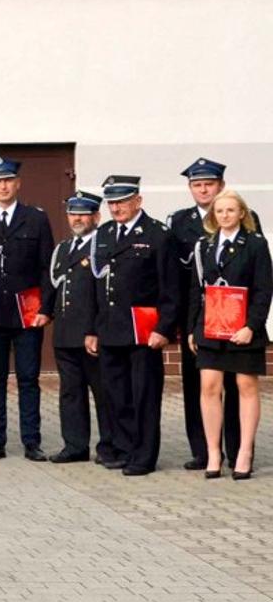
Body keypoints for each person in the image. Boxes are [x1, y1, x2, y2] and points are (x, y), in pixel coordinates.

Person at [169, 158, 258, 471]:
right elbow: (179, 276)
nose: (203, 189)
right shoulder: (179, 222)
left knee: (237, 387)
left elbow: (256, 278)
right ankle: (204, 452)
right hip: (199, 316)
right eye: (197, 184)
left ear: (221, 185)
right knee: (200, 385)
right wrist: (185, 321)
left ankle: (238, 450)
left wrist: (251, 322)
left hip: (238, 319)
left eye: (209, 183)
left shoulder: (249, 224)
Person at [0, 157, 55, 461]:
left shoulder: (36, 218)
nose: (3, 185)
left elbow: (47, 267)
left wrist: (46, 307)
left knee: (29, 378)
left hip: (28, 314)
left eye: (8, 180)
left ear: (18, 183)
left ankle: (32, 441)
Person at [93, 175, 180, 476]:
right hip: (110, 328)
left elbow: (170, 288)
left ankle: (143, 457)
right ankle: (125, 448)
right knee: (116, 394)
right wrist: (93, 328)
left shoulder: (157, 235)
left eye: (122, 202)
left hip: (144, 331)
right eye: (112, 202)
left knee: (144, 395)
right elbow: (97, 285)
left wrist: (164, 328)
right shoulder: (103, 234)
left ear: (138, 201)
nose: (116, 208)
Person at [185, 189, 269, 480]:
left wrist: (252, 327)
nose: (224, 216)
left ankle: (244, 451)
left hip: (243, 328)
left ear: (241, 214)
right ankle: (212, 453)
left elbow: (263, 290)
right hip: (211, 326)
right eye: (219, 212)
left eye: (230, 211)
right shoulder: (205, 246)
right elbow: (198, 290)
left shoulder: (256, 244)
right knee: (209, 386)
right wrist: (194, 329)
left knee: (245, 385)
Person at [44, 191, 111, 465]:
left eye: (84, 213)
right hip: (65, 332)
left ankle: (109, 446)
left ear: (96, 216)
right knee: (70, 393)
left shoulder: (102, 246)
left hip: (91, 333)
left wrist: (95, 330)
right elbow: (54, 285)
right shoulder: (63, 248)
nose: (78, 218)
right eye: (73, 213)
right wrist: (43, 313)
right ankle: (75, 445)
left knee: (102, 392)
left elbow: (103, 293)